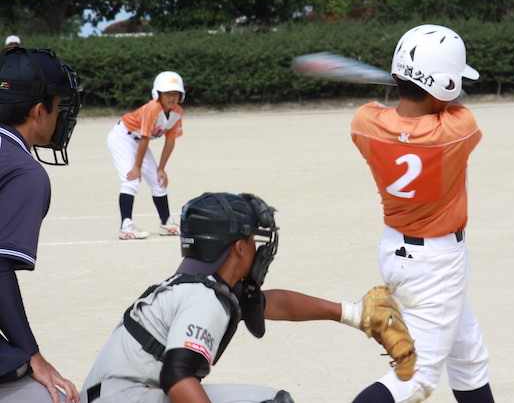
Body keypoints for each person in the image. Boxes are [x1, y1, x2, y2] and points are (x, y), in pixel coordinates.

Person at [81, 192, 401, 402]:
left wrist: (352, 313)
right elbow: (177, 377)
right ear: (239, 247)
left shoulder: (201, 286)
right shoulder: (203, 299)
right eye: (252, 238)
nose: (258, 247)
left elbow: (273, 304)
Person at [349, 24, 495, 402]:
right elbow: (456, 103)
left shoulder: (365, 123)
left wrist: (410, 80)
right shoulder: (458, 129)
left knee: (468, 355)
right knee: (418, 377)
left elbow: (391, 112)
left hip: (396, 254)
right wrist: (423, 82)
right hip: (437, 263)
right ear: (444, 86)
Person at [0, 48, 83, 402]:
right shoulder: (24, 171)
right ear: (37, 110)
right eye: (59, 104)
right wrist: (32, 354)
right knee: (50, 395)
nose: (63, 114)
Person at [107, 71, 185, 240]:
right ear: (158, 94)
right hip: (122, 137)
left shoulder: (177, 112)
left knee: (159, 180)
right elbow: (145, 138)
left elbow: (170, 142)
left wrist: (161, 168)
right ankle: (126, 227)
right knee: (132, 179)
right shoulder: (153, 108)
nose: (172, 97)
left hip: (138, 141)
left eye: (176, 93)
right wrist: (137, 166)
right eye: (168, 93)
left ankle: (166, 224)